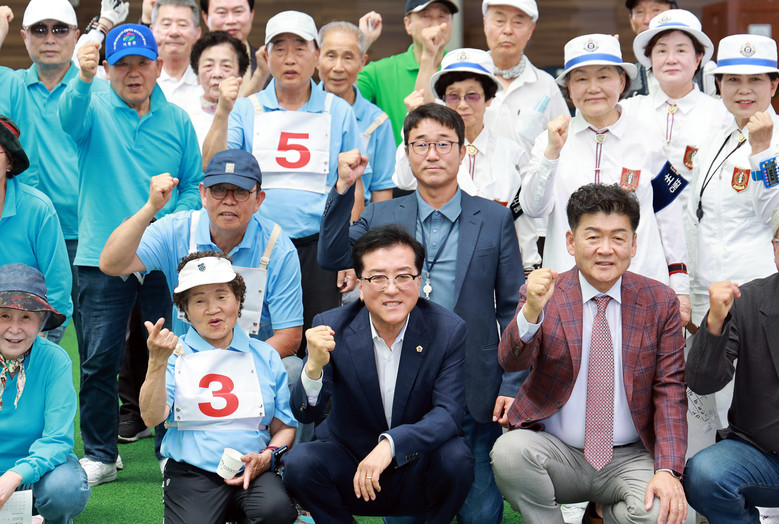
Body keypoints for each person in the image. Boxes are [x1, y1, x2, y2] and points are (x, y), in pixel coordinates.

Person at [318, 104, 523, 524]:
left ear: (463, 152)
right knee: (405, 513)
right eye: (421, 144)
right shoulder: (381, 214)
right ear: (407, 154)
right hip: (401, 385)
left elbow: (511, 306)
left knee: (480, 514)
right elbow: (332, 256)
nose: (432, 154)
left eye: (444, 144)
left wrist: (512, 382)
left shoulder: (494, 217)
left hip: (471, 383)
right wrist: (343, 189)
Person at [491, 183, 688, 524]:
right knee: (509, 453)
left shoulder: (660, 301)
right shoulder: (546, 293)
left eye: (618, 238)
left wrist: (668, 469)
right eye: (593, 236)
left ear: (634, 244)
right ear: (571, 242)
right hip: (558, 453)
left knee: (661, 513)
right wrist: (532, 311)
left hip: (629, 457)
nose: (605, 249)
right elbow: (511, 360)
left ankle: (603, 511)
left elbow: (670, 389)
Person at [59, 23, 203, 485]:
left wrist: (165, 221)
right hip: (99, 255)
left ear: (159, 66)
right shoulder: (91, 105)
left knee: (171, 353)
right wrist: (82, 78)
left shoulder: (177, 119)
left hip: (163, 257)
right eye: (122, 65)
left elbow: (194, 185)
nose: (134, 73)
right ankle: (101, 454)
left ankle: (170, 448)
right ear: (107, 69)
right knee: (98, 360)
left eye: (143, 63)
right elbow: (68, 120)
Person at [283, 225, 473, 523]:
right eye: (378, 278)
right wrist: (314, 366)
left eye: (403, 276)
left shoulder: (448, 330)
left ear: (419, 281)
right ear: (360, 286)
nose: (392, 289)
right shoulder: (332, 326)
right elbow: (306, 413)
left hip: (415, 464)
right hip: (351, 463)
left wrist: (390, 445)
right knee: (299, 463)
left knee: (457, 458)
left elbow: (448, 415)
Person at [203, 10, 364, 351]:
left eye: (300, 49)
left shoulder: (338, 110)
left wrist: (347, 254)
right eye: (279, 49)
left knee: (321, 343)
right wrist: (224, 110)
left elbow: (354, 184)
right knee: (254, 336)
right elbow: (214, 166)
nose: (290, 59)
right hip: (259, 244)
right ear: (266, 55)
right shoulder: (247, 108)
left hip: (320, 248)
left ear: (316, 55)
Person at [520, 33, 691, 324]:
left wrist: (680, 285)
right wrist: (551, 154)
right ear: (568, 87)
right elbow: (534, 209)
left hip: (641, 284)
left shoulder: (648, 137)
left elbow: (668, 215)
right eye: (581, 79)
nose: (593, 88)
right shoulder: (550, 140)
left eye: (604, 76)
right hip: (567, 289)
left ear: (622, 82)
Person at [100, 149, 303, 378]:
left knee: (293, 369)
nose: (229, 200)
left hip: (253, 366)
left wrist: (232, 370)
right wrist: (150, 208)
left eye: (241, 191)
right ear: (203, 195)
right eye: (219, 189)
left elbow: (289, 336)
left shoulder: (279, 248)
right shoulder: (176, 229)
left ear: (258, 200)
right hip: (188, 364)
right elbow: (111, 264)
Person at [139, 251, 297, 524]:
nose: (213, 309)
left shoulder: (265, 354)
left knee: (276, 512)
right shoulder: (173, 355)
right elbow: (151, 417)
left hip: (252, 469)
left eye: (222, 296)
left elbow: (284, 427)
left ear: (239, 300)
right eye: (199, 300)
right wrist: (156, 363)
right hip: (192, 470)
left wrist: (267, 457)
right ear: (185, 310)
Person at [393, 48, 540, 273]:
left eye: (472, 95)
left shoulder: (513, 153)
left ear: (489, 98)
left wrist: (528, 266)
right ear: (443, 100)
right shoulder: (431, 149)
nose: (462, 105)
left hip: (496, 267)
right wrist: (410, 122)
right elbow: (404, 180)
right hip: (439, 264)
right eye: (453, 96)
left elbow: (523, 217)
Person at [684, 207, 779, 524]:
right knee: (706, 474)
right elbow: (702, 382)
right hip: (762, 456)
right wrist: (714, 321)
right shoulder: (748, 301)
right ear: (774, 248)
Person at [688, 34, 779, 327]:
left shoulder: (775, 140)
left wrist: (762, 151)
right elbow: (695, 217)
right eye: (733, 80)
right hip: (706, 295)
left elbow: (771, 213)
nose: (744, 90)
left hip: (758, 297)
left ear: (773, 85)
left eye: (755, 80)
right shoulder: (716, 140)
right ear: (719, 84)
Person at [0, 263, 90, 524]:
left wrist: (16, 475)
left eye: (26, 317)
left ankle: (48, 518)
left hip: (37, 473)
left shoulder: (54, 360)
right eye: (4, 315)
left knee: (65, 490)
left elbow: (57, 439)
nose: (14, 328)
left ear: (41, 322)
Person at [0, 115, 72, 343]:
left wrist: (41, 333)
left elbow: (58, 283)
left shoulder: (39, 209)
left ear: (10, 164)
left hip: (35, 319)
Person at [317, 21, 395, 215]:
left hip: (356, 223)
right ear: (317, 57)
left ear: (362, 62)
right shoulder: (297, 109)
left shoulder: (378, 122)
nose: (338, 67)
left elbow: (382, 192)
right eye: (330, 56)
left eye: (348, 58)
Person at [357, 0, 458, 145]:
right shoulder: (377, 72)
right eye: (426, 16)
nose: (436, 24)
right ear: (407, 24)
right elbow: (342, 100)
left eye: (442, 17)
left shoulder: (462, 72)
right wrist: (362, 43)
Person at [481, 0, 569, 156]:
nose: (508, 30)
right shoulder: (466, 77)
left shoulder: (546, 85)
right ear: (485, 25)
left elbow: (565, 144)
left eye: (518, 22)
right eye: (500, 21)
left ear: (530, 30)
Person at [187, 30, 249, 148]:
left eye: (226, 66)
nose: (217, 74)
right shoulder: (184, 115)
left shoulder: (250, 114)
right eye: (208, 66)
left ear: (240, 74)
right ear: (197, 72)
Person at [198, 0, 267, 94]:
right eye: (221, 12)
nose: (231, 21)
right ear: (206, 17)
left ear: (251, 15)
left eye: (238, 11)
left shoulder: (268, 66)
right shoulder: (188, 66)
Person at [150, 0, 203, 110]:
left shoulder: (209, 81)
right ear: (152, 31)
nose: (174, 32)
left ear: (197, 33)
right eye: (166, 24)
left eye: (182, 25)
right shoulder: (140, 79)